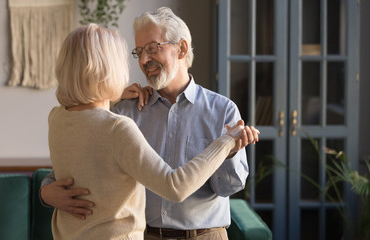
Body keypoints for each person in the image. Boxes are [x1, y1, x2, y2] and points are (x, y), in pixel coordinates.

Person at [42, 7, 259, 240]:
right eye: (139, 52)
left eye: (152, 48)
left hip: (205, 235)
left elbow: (229, 187)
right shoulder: (123, 112)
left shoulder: (222, 110)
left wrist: (229, 153)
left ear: (182, 48)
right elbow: (75, 168)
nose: (144, 60)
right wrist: (45, 191)